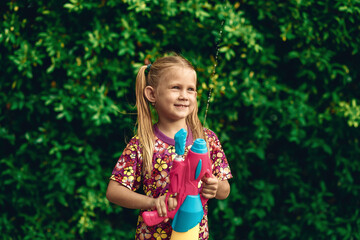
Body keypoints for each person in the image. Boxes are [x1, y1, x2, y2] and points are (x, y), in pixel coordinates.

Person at [106, 54, 232, 240]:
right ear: (152, 94)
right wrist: (153, 202)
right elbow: (113, 191)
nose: (184, 95)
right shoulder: (143, 143)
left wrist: (214, 187)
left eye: (190, 89)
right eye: (175, 87)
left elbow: (224, 190)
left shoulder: (206, 139)